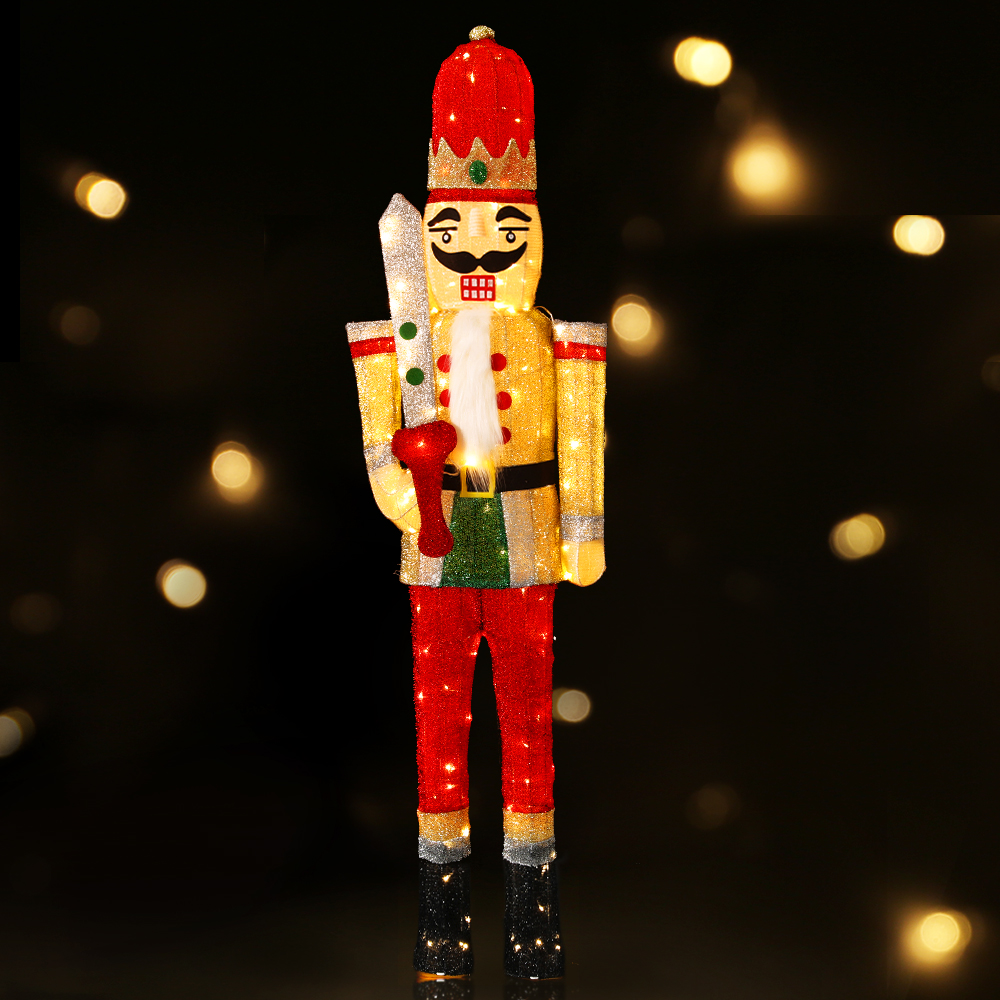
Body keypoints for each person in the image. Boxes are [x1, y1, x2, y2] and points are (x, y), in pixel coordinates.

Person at [346, 25, 605, 981]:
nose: (480, 250)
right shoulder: (403, 339)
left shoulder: (557, 340)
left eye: (506, 228)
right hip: (438, 544)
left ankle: (534, 924)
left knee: (529, 723)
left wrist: (585, 528)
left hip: (529, 537)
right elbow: (381, 443)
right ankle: (441, 924)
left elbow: (581, 437)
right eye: (454, 230)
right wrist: (399, 493)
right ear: (429, 232)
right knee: (440, 729)